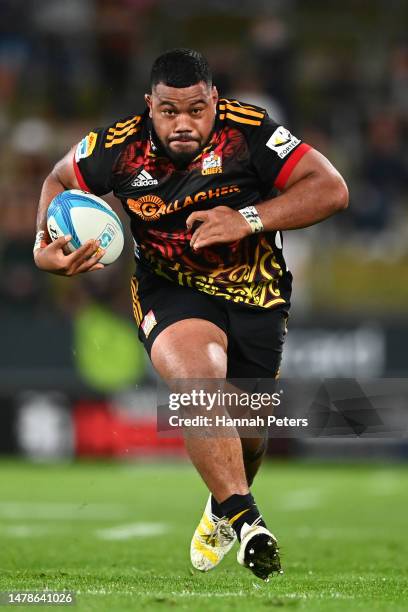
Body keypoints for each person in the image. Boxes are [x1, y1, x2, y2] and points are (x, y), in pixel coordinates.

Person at [34, 48, 348, 581]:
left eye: (196, 110)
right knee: (198, 381)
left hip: (257, 293)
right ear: (149, 107)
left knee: (248, 433)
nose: (184, 123)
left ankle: (222, 503)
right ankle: (249, 522)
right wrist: (44, 242)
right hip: (170, 287)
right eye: (169, 111)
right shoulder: (118, 147)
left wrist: (247, 218)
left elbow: (331, 189)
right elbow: (59, 180)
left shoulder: (249, 132)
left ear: (215, 103)